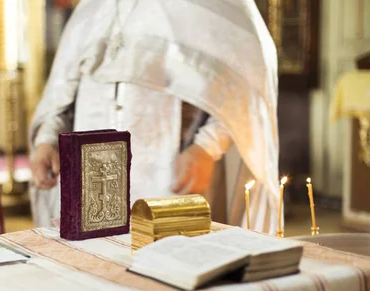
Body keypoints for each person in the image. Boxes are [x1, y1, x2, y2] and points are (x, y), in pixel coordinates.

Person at [29, 0, 280, 234]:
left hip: (171, 177)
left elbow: (248, 84)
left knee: (170, 270)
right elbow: (64, 91)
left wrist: (207, 146)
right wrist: (48, 139)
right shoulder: (93, 6)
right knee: (94, 268)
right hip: (92, 179)